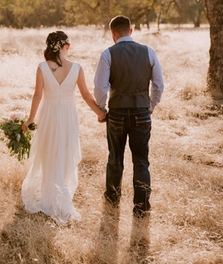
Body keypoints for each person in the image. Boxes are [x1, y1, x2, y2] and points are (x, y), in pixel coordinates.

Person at [21, 31, 106, 225]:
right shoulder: (77, 67)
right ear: (65, 46)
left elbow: (37, 96)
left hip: (49, 114)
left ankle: (50, 197)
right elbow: (85, 95)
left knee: (49, 153)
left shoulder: (42, 67)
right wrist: (100, 113)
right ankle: (58, 196)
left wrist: (30, 119)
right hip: (68, 116)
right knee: (64, 154)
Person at [94, 15, 164, 217]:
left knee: (115, 157)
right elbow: (158, 84)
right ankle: (141, 207)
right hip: (142, 112)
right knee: (141, 160)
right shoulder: (148, 51)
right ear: (131, 31)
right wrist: (150, 105)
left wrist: (102, 109)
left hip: (116, 113)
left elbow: (100, 87)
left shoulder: (108, 54)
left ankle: (113, 199)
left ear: (113, 34)